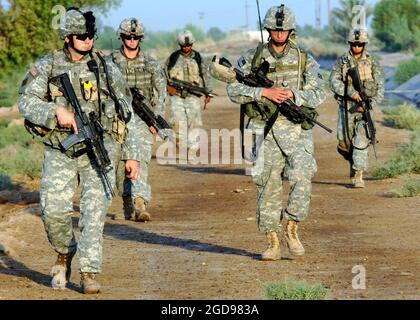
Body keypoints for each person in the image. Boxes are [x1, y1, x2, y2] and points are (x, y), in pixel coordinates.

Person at [18, 8, 141, 294]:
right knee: (53, 211)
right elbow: (26, 101)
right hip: (60, 150)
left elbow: (127, 112)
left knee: (93, 214)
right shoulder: (48, 65)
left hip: (99, 151)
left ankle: (88, 272)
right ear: (68, 37)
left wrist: (132, 154)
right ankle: (64, 251)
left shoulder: (105, 67)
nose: (89, 41)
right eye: (83, 36)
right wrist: (55, 110)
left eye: (92, 36)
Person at [226, 5, 325, 260]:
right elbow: (233, 90)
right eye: (275, 28)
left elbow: (319, 93)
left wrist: (295, 95)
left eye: (283, 29)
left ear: (291, 30)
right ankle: (272, 241)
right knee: (267, 185)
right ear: (268, 29)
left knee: (302, 176)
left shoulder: (304, 59)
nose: (279, 33)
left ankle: (292, 228)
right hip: (264, 130)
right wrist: (264, 93)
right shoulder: (253, 57)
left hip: (296, 131)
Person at [108, 18, 167, 222]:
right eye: (128, 37)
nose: (132, 40)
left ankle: (140, 203)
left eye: (135, 37)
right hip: (116, 121)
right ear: (121, 37)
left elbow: (160, 93)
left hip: (142, 120)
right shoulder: (111, 62)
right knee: (120, 166)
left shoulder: (151, 63)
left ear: (140, 38)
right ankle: (127, 199)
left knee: (140, 161)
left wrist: (155, 120)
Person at [329, 29, 384, 188]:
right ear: (350, 44)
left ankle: (358, 174)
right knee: (344, 143)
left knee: (361, 139)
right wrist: (352, 93)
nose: (357, 47)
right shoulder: (343, 62)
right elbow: (333, 82)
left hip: (365, 108)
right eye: (354, 44)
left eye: (360, 44)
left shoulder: (372, 62)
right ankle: (353, 161)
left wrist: (370, 104)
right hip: (346, 108)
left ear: (364, 44)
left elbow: (380, 87)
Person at [165, 30, 213, 155]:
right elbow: (163, 75)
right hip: (176, 96)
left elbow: (205, 75)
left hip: (193, 96)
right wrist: (167, 87)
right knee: (177, 121)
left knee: (194, 122)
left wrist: (208, 92)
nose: (186, 48)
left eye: (189, 45)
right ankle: (181, 147)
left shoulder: (198, 58)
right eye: (184, 46)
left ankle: (193, 148)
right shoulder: (173, 58)